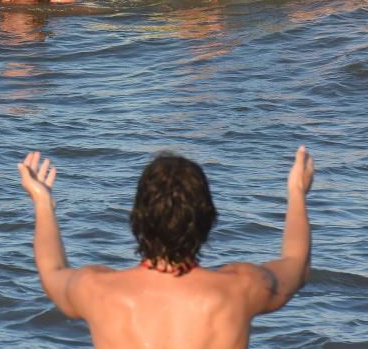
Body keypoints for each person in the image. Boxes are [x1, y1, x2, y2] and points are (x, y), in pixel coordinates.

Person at [17, 147, 315, 349]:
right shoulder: (240, 288)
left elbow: (51, 270)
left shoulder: (96, 290)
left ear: (137, 218)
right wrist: (297, 192)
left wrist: (43, 204)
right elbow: (296, 264)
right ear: (208, 218)